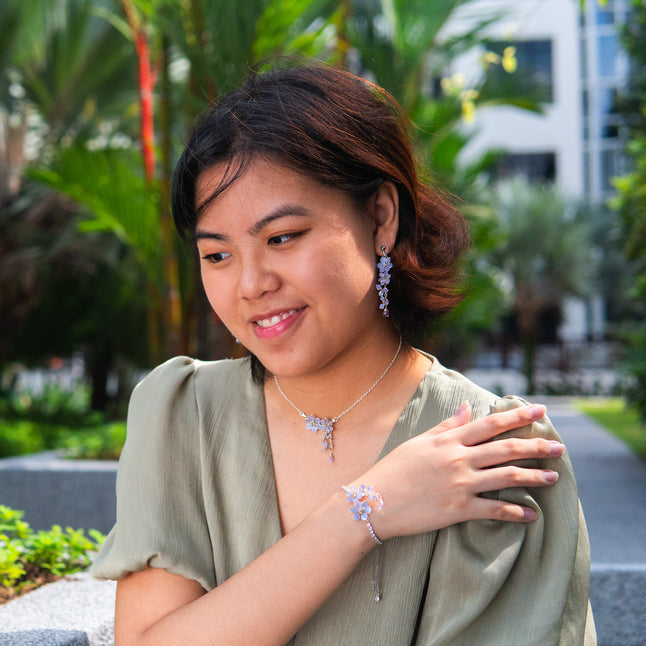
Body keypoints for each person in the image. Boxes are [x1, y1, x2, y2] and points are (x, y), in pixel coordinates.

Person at [90, 64, 596, 645]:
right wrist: (365, 510)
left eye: (281, 238)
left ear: (381, 217)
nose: (250, 284)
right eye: (217, 255)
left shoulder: (491, 454)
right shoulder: (180, 413)